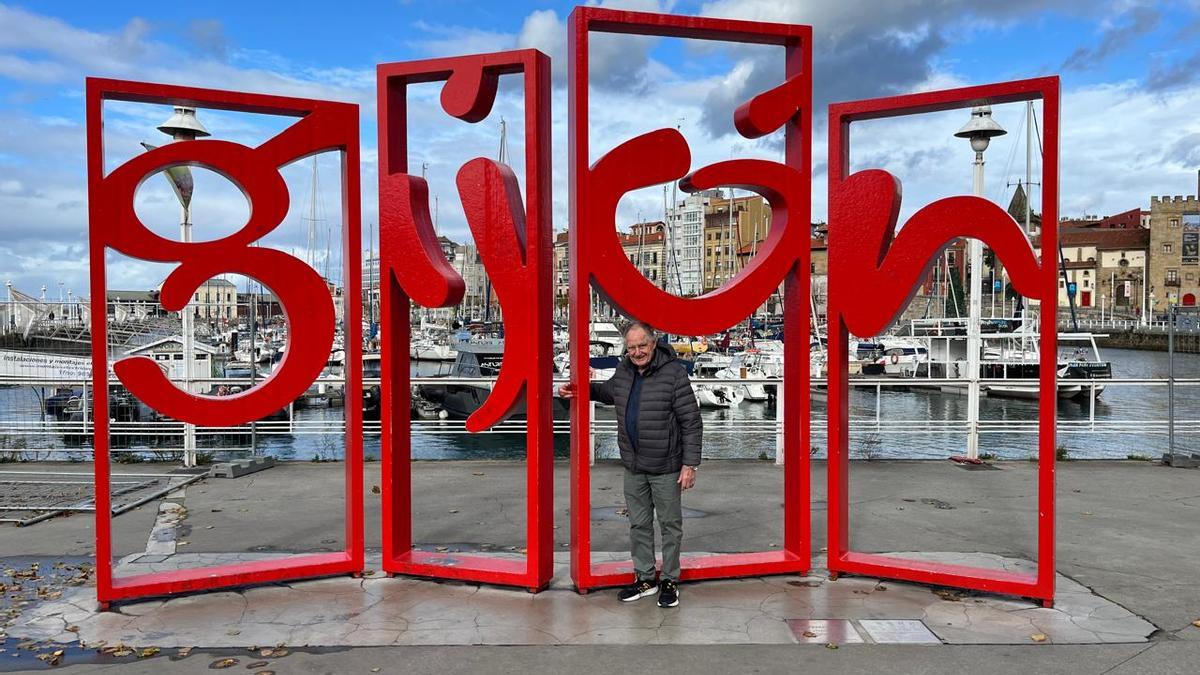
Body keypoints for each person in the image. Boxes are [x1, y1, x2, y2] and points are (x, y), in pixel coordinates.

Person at [559, 320, 701, 607]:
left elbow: (691, 421)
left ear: (654, 342)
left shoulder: (674, 373)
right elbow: (608, 392)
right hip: (634, 466)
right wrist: (579, 389)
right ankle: (645, 578)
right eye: (631, 347)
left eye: (642, 346)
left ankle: (670, 580)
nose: (637, 352)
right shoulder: (624, 371)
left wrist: (690, 465)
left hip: (666, 466)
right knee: (639, 524)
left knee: (670, 525)